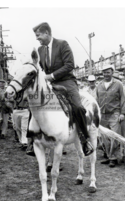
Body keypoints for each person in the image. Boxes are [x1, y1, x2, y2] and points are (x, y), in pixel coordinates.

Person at [26, 22, 93, 157]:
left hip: (66, 81)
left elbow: (70, 65)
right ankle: (32, 140)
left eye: (38, 36)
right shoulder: (40, 50)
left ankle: (85, 140)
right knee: (34, 105)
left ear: (47, 33)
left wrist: (51, 76)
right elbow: (40, 68)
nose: (37, 39)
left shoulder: (63, 44)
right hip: (49, 83)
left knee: (78, 107)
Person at [96, 64, 125, 167]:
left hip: (114, 113)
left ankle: (113, 158)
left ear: (112, 73)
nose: (106, 74)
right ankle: (109, 156)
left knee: (114, 136)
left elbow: (123, 99)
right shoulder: (99, 85)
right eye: (104, 72)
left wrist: (123, 113)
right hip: (102, 114)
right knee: (105, 137)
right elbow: (96, 100)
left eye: (108, 72)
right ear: (102, 73)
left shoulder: (118, 84)